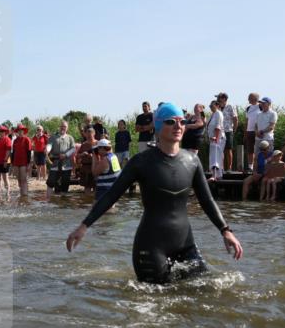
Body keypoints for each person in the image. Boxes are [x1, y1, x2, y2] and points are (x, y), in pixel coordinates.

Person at [65, 103, 242, 284]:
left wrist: (225, 231)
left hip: (186, 244)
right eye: (171, 121)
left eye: (182, 122)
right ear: (158, 127)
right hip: (151, 247)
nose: (178, 126)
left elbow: (207, 200)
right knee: (156, 301)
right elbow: (112, 195)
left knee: (207, 290)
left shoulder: (192, 161)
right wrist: (84, 226)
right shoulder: (141, 162)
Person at [47, 121, 76, 198]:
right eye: (61, 126)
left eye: (65, 126)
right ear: (59, 127)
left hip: (66, 165)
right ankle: (48, 200)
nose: (63, 128)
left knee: (65, 185)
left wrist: (65, 155)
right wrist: (47, 150)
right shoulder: (53, 137)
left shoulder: (70, 138)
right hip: (55, 164)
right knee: (51, 182)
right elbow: (49, 145)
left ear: (67, 128)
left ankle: (63, 203)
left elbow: (73, 149)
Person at [217, 93, 238, 172]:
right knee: (220, 149)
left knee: (228, 149)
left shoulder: (230, 106)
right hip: (219, 131)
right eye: (218, 98)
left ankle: (229, 168)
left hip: (228, 130)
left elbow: (235, 118)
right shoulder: (217, 107)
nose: (218, 99)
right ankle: (221, 168)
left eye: (219, 98)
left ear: (224, 98)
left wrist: (234, 129)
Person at [11, 124, 32, 197]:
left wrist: (29, 164)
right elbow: (13, 152)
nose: (20, 132)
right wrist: (12, 163)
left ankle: (25, 195)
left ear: (24, 131)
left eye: (21, 130)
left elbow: (29, 152)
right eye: (19, 130)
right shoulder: (15, 140)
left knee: (23, 179)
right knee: (18, 179)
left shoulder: (27, 139)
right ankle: (21, 193)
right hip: (16, 162)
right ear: (17, 131)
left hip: (24, 162)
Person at [206, 100, 225, 181]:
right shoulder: (213, 114)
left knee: (215, 157)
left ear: (217, 106)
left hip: (218, 138)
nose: (210, 107)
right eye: (210, 106)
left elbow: (218, 126)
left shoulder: (218, 113)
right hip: (213, 139)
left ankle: (215, 176)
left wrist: (216, 138)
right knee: (216, 156)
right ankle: (218, 175)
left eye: (212, 106)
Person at [243, 93, 261, 171]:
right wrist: (245, 132)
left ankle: (259, 165)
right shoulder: (248, 108)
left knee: (259, 149)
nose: (248, 99)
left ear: (255, 98)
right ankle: (250, 166)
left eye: (249, 97)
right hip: (249, 131)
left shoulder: (261, 106)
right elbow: (247, 121)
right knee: (250, 149)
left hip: (258, 131)